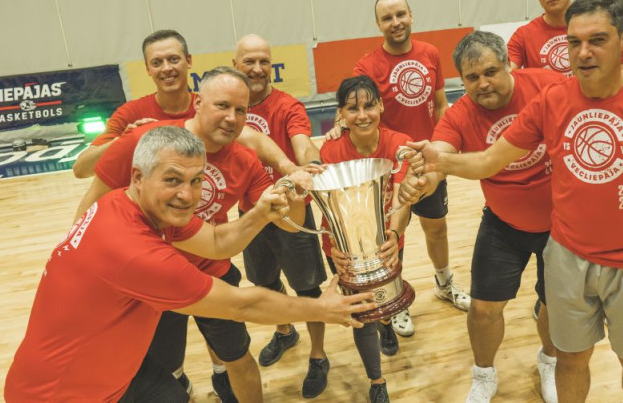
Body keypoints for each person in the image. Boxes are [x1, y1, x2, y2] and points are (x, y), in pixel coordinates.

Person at [408, 0, 623, 403]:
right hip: (567, 256)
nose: (584, 52)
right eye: (573, 42)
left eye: (597, 39)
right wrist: (436, 162)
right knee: (570, 360)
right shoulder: (552, 102)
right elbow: (490, 160)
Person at [5, 125, 375, 402]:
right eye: (172, 180)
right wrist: (324, 309)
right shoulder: (134, 252)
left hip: (117, 375)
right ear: (138, 176)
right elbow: (240, 303)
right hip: (58, 394)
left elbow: (216, 241)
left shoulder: (129, 203)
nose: (187, 195)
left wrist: (260, 214)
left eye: (196, 180)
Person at [74, 67, 310, 402]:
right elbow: (89, 208)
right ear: (198, 103)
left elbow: (286, 223)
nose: (232, 117)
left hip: (211, 273)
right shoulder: (147, 142)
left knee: (238, 358)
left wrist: (294, 191)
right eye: (222, 106)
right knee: (163, 368)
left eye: (241, 110)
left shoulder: (245, 160)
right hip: (152, 280)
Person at [399, 31, 564, 402]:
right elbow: (438, 156)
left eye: (491, 71)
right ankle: (484, 375)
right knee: (484, 309)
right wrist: (421, 181)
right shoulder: (460, 115)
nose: (483, 83)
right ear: (462, 80)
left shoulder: (548, 85)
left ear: (509, 64)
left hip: (562, 226)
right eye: (472, 78)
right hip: (503, 226)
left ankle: (550, 361)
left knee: (555, 305)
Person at [328, 0, 469, 338]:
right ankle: (398, 299)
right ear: (378, 24)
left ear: (411, 15)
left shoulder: (430, 53)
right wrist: (337, 124)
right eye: (387, 18)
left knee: (436, 228)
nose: (396, 22)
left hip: (428, 162)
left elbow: (439, 105)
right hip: (390, 163)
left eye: (400, 14)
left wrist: (442, 151)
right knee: (393, 237)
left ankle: (444, 281)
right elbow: (356, 101)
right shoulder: (368, 65)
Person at [231, 34, 331, 398]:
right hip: (250, 215)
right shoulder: (229, 108)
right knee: (263, 283)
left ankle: (318, 355)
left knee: (307, 288)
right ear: (236, 65)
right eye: (249, 62)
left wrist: (311, 162)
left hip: (292, 213)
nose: (257, 69)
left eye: (264, 62)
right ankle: (286, 332)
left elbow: (302, 141)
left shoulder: (287, 105)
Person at [71, 29, 298, 181]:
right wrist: (128, 139)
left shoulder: (210, 107)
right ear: (148, 69)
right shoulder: (130, 114)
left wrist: (289, 168)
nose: (167, 68)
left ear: (188, 61)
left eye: (173, 59)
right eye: (157, 63)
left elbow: (253, 138)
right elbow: (81, 169)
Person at [321, 75, 413, 403]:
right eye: (352, 108)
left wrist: (394, 233)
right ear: (341, 114)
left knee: (385, 299)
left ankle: (388, 321)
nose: (362, 115)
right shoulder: (331, 148)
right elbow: (327, 206)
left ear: (381, 106)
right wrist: (333, 248)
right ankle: (377, 381)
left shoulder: (399, 142)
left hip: (387, 239)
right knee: (361, 315)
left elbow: (403, 198)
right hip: (345, 249)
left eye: (369, 105)